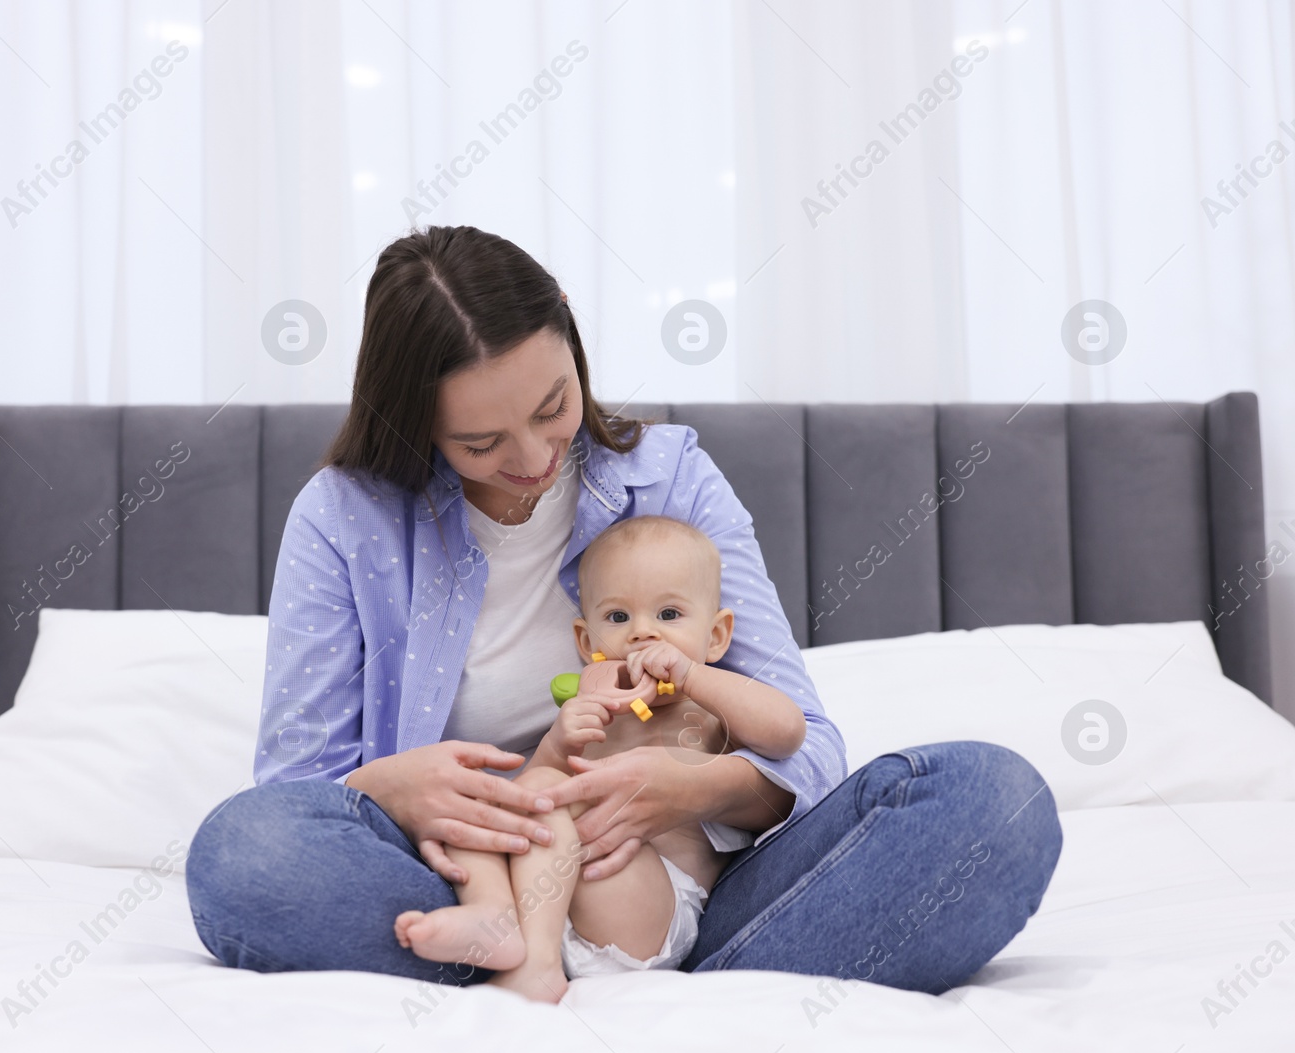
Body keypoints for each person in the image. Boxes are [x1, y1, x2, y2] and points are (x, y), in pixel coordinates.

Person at [185, 224, 1062, 998]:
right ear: (412, 422)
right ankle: (524, 947)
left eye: (552, 406)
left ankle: (657, 959)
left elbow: (809, 742)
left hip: (705, 883)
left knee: (994, 801)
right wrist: (392, 787)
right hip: (461, 880)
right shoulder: (345, 517)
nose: (531, 458)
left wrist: (688, 787)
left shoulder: (669, 476)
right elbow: (297, 787)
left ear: (570, 325)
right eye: (479, 443)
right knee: (244, 856)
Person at [393, 514, 807, 1001]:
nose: (642, 634)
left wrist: (693, 676)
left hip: (646, 906)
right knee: (481, 800)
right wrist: (559, 741)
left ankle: (539, 966)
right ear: (587, 643)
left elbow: (787, 733)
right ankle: (491, 914)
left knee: (552, 796)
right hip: (552, 898)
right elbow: (539, 783)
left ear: (716, 636)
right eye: (617, 617)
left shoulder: (710, 707)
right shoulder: (594, 706)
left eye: (669, 615)